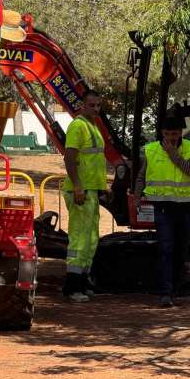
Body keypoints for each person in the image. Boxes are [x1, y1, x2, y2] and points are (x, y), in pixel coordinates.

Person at [135, 115, 190, 307]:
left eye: (175, 133)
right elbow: (141, 177)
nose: (172, 137)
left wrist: (173, 154)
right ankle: (166, 292)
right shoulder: (151, 150)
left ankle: (177, 289)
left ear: (181, 133)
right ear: (162, 133)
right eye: (168, 134)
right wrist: (137, 198)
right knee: (165, 249)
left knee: (181, 249)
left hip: (185, 207)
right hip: (163, 207)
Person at [61, 90, 108, 303]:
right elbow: (69, 158)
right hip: (81, 191)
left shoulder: (93, 127)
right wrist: (78, 186)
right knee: (80, 237)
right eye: (92, 105)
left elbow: (94, 161)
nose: (96, 109)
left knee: (90, 238)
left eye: (98, 105)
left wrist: (103, 186)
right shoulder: (78, 126)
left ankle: (83, 281)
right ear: (82, 105)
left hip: (91, 190)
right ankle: (72, 286)